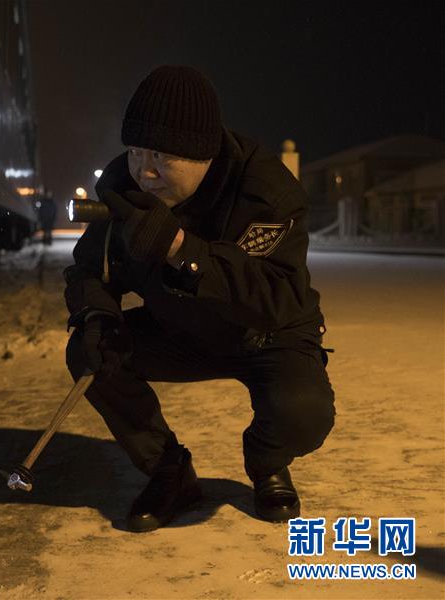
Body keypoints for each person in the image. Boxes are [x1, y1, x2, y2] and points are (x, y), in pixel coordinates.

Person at [63, 65, 335, 532]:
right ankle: (169, 470)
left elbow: (278, 298)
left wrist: (180, 250)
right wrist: (96, 315)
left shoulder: (265, 192)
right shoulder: (123, 186)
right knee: (92, 351)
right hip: (180, 328)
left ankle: (267, 462)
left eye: (162, 157)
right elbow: (90, 268)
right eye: (136, 151)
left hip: (264, 335)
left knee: (303, 412)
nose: (145, 171)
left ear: (204, 155)